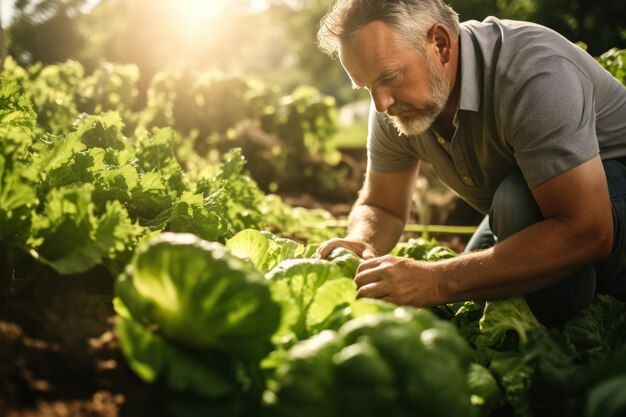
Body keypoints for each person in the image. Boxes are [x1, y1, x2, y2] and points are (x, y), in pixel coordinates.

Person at [313, 0, 626, 327]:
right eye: (367, 87)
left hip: (601, 198)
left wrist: (434, 280)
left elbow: (587, 229)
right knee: (468, 309)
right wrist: (363, 240)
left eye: (389, 77)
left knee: (515, 202)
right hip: (528, 214)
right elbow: (382, 205)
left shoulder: (532, 71)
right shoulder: (397, 106)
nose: (380, 104)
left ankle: (567, 336)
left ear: (440, 45)